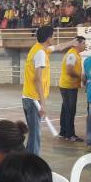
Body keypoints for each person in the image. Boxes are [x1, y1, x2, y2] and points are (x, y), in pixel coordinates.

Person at [22, 26, 76, 154]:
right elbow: (37, 79)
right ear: (48, 38)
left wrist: (72, 43)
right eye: (53, 36)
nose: (54, 38)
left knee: (34, 135)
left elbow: (58, 47)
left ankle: (28, 161)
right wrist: (43, 104)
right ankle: (33, 166)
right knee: (35, 136)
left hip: (29, 97)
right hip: (34, 99)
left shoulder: (39, 49)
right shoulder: (40, 53)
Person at [58, 36, 85, 142]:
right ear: (76, 44)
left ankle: (63, 132)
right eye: (83, 43)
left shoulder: (74, 54)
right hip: (68, 86)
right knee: (70, 110)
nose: (84, 45)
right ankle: (70, 135)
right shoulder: (72, 54)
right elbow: (69, 70)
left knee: (65, 109)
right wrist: (81, 76)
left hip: (67, 85)